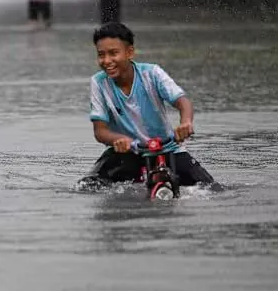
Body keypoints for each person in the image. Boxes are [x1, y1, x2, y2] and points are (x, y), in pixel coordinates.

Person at [81, 22, 214, 187]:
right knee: (88, 186)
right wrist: (120, 139)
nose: (107, 61)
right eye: (101, 55)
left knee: (211, 188)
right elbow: (100, 131)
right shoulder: (98, 82)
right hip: (128, 151)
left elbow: (182, 101)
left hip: (168, 149)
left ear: (130, 52)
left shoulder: (152, 73)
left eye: (113, 53)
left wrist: (185, 123)